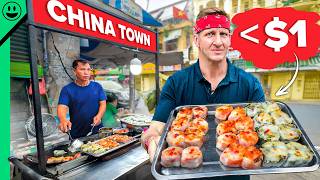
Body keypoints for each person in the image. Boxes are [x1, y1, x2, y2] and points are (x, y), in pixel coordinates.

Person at [141, 7, 265, 180]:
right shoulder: (176, 82)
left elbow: (263, 129)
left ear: (230, 39)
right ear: (196, 40)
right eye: (210, 34)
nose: (218, 41)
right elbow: (155, 128)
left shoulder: (250, 83)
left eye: (223, 34)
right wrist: (150, 141)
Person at [57, 59, 106, 139]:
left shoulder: (97, 86)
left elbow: (103, 103)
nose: (86, 73)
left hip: (97, 131)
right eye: (82, 69)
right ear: (74, 71)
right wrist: (63, 120)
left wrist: (99, 116)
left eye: (88, 69)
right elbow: (62, 107)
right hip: (76, 133)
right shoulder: (67, 89)